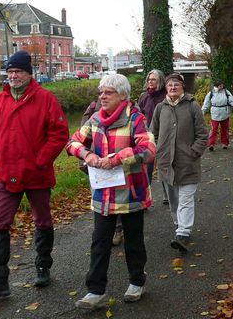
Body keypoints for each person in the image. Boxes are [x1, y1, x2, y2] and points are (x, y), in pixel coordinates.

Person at [0, 50, 69, 299]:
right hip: (6, 173)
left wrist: (40, 161)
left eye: (18, 71)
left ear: (29, 73)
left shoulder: (45, 98)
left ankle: (43, 267)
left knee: (43, 221)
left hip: (36, 174)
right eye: (10, 72)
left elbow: (59, 133)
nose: (13, 76)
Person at [67, 73, 156, 308]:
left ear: (123, 96)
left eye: (108, 93)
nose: (102, 97)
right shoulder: (95, 119)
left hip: (131, 191)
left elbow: (148, 150)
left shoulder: (135, 118)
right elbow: (72, 142)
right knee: (99, 242)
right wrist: (87, 154)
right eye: (100, 92)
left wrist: (116, 159)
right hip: (103, 194)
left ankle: (137, 282)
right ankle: (95, 291)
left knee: (133, 241)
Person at [150, 73, 208, 253]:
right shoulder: (160, 108)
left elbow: (202, 134)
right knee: (174, 200)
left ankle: (183, 232)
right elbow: (153, 133)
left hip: (187, 162)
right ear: (166, 88)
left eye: (176, 85)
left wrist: (193, 152)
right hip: (166, 163)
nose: (173, 88)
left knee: (185, 199)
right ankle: (179, 225)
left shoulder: (192, 106)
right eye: (169, 85)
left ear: (183, 87)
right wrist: (159, 151)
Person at [138, 69, 168, 205]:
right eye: (149, 79)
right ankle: (145, 199)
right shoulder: (144, 96)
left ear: (160, 81)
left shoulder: (166, 96)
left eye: (153, 79)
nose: (150, 82)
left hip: (164, 136)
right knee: (146, 169)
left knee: (164, 166)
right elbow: (139, 115)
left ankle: (168, 195)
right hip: (147, 137)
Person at [201, 79, 233, 151]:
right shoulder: (211, 93)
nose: (222, 86)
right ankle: (211, 144)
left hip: (224, 112)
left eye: (222, 85)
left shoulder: (226, 92)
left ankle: (225, 143)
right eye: (220, 85)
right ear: (216, 86)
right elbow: (206, 104)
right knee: (214, 129)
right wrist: (201, 112)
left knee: (225, 129)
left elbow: (232, 101)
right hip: (215, 114)